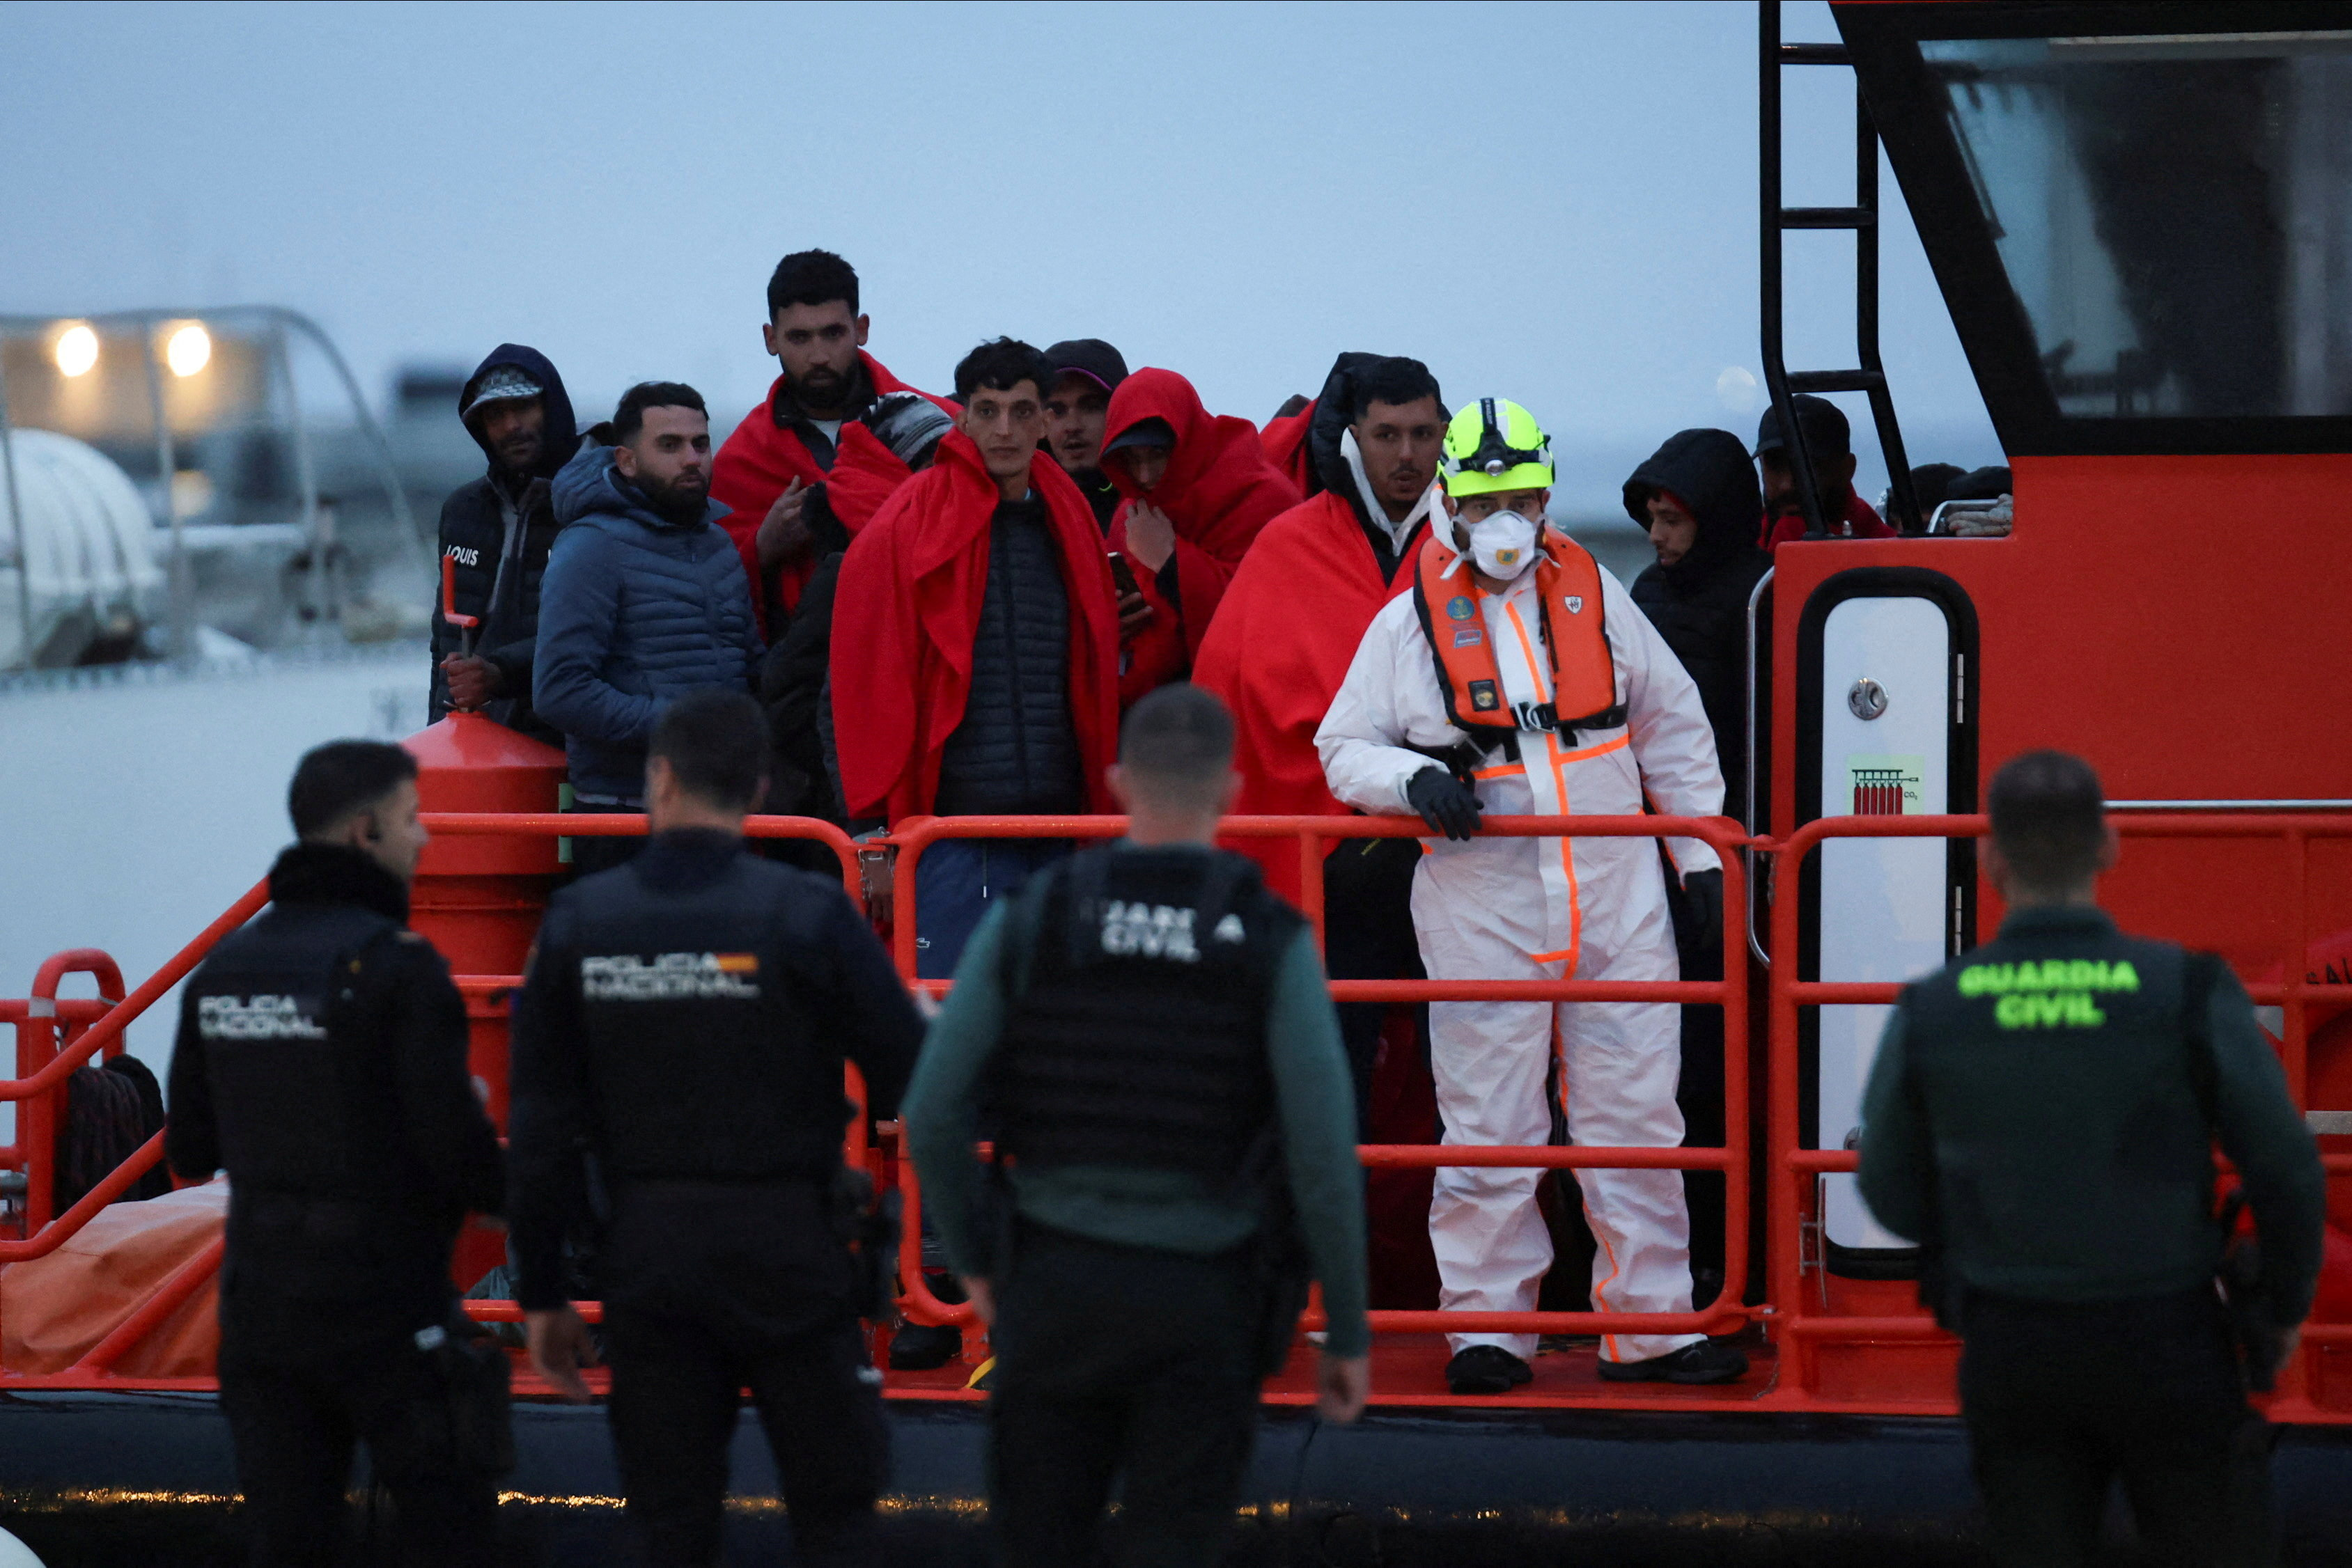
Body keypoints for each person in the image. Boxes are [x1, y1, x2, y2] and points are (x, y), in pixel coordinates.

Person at [1317, 396, 1747, 1394]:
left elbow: (1673, 729)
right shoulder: (1406, 622)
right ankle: (1489, 1332)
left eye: (1521, 495)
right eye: (1483, 498)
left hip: (1616, 891)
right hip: (1484, 901)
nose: (1504, 517)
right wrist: (1412, 782)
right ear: (1449, 501)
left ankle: (1651, 1329)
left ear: (1546, 492)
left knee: (1638, 1118)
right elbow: (1342, 747)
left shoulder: (1596, 591)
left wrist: (1700, 863)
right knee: (1487, 1122)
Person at [903, 683, 1370, 1568]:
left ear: (1116, 783)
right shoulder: (1270, 938)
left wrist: (974, 1265)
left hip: (1050, 1286)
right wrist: (1344, 1328)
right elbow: (1320, 1153)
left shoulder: (1034, 917)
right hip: (1203, 1301)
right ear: (1231, 793)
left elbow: (931, 1110)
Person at [1858, 751, 2325, 1568]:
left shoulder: (1933, 1006)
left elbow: (1887, 1187)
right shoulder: (2183, 987)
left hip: (2012, 1343)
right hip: (2171, 1337)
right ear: (2107, 846)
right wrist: (2279, 1309)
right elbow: (2283, 1163)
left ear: (1992, 859)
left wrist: (1977, 1242)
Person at [509, 691, 925, 1568]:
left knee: (669, 1521)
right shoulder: (807, 912)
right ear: (761, 787)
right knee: (837, 1515)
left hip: (650, 1254)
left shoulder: (581, 922)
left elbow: (541, 1127)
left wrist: (543, 1291)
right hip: (794, 1248)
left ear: (657, 777)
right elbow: (914, 1071)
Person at [166, 740, 506, 1567]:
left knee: (287, 1538)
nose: (424, 838)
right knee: (448, 1531)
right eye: (410, 818)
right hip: (388, 1309)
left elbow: (191, 1145)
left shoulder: (224, 969)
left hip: (263, 1311)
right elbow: (460, 1160)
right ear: (364, 831)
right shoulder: (402, 968)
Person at [1194, 352, 1447, 1113]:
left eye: (1423, 433)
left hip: (1463, 849)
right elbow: (1232, 700)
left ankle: (1470, 1236)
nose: (1405, 455)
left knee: (1475, 1082)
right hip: (1330, 861)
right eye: (1385, 434)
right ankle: (1324, 1229)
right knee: (1326, 1076)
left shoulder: (1477, 548)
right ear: (1350, 439)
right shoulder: (1287, 545)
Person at [828, 338, 1121, 978]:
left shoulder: (1070, 518)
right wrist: (873, 834)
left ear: (1044, 420)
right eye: (987, 411)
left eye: (1021, 411)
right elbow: (857, 686)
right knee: (946, 1038)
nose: (1005, 430)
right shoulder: (906, 521)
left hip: (1057, 826)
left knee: (1055, 1037)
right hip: (948, 835)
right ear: (961, 417)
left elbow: (1094, 677)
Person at [534, 382, 763, 875]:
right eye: (669, 445)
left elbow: (747, 664)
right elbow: (559, 690)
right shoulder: (590, 547)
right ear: (626, 460)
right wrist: (686, 732)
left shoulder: (718, 545)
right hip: (622, 818)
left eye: (700, 444)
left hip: (718, 811)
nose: (691, 459)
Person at [710, 249, 956, 632]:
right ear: (770, 338)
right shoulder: (741, 459)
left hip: (924, 644)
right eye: (799, 338)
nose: (819, 355)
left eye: (833, 333)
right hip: (799, 670)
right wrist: (761, 548)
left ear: (862, 329)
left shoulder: (943, 427)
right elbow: (699, 584)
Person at [1098, 368, 1301, 698]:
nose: (1145, 475)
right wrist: (1112, 623)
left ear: (1187, 437)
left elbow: (1271, 618)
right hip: (1152, 714)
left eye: (1158, 454)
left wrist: (1170, 560)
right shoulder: (1133, 513)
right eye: (1132, 460)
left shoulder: (1261, 497)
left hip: (1249, 703)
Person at [429, 345, 580, 743]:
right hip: (473, 737)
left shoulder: (594, 502)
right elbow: (444, 641)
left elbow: (596, 633)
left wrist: (498, 674)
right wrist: (440, 735)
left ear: (553, 407)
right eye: (495, 415)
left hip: (564, 740)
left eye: (524, 407)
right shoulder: (463, 510)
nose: (511, 425)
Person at [1623, 428, 1772, 819]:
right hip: (1656, 807)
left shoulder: (1767, 595)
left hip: (1741, 813)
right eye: (1652, 518)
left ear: (1715, 518)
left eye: (1670, 519)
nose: (1655, 535)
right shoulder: (1648, 587)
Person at [1754, 394, 1894, 551]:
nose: (1787, 485)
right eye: (1775, 465)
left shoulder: (1891, 556)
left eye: (1807, 466)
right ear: (1761, 465)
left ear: (1847, 469)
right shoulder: (1738, 541)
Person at [1041, 338, 1130, 531]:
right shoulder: (1015, 504)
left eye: (1091, 407)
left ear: (1120, 410)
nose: (1073, 426)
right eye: (1057, 410)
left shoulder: (1162, 498)